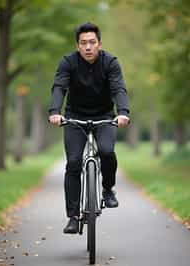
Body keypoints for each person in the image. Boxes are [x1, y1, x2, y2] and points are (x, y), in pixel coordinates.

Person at [48, 22, 130, 234]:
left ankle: (107, 189)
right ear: (77, 46)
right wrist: (55, 111)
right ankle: (73, 217)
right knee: (74, 162)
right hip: (75, 117)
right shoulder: (68, 62)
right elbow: (59, 87)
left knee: (107, 152)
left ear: (99, 44)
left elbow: (118, 88)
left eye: (92, 42)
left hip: (104, 116)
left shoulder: (110, 62)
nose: (88, 47)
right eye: (83, 43)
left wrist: (123, 112)